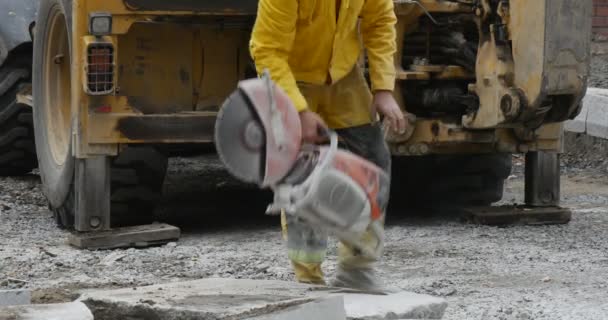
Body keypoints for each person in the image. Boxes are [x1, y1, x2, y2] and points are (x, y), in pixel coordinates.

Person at [249, 0, 405, 291]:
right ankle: (308, 278)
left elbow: (380, 22)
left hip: (343, 75)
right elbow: (267, 50)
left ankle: (357, 269)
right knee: (300, 173)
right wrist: (298, 111)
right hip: (291, 77)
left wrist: (383, 87)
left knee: (373, 159)